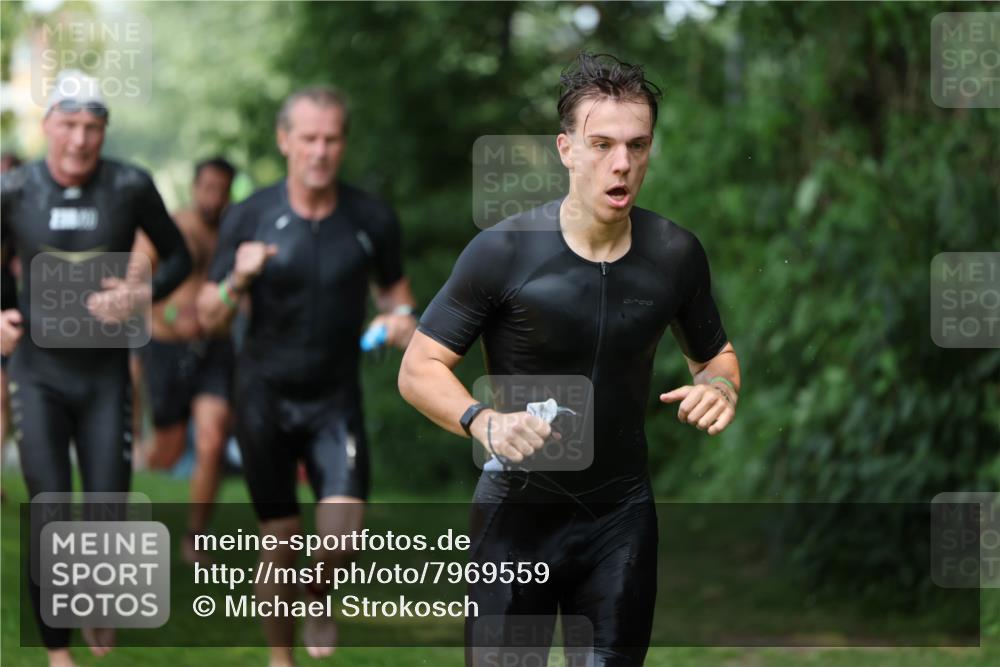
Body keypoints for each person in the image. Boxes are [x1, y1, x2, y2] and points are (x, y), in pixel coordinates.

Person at [398, 52, 742, 666]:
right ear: (565, 149)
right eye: (602, 143)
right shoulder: (502, 252)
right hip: (516, 521)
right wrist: (485, 422)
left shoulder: (674, 254)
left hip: (620, 518)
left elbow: (715, 356)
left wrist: (720, 386)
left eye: (638, 146)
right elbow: (418, 367)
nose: (622, 163)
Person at [197, 85, 417, 665]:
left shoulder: (371, 218)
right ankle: (281, 658)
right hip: (263, 395)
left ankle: (319, 589)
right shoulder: (250, 216)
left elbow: (397, 295)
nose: (319, 151)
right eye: (309, 138)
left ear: (343, 143)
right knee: (281, 543)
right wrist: (238, 279)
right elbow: (206, 313)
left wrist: (401, 321)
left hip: (333, 397)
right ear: (285, 140)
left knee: (342, 538)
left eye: (332, 139)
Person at [0, 70, 191, 667]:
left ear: (104, 130)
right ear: (48, 124)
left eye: (93, 127)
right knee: (51, 506)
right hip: (38, 370)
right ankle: (58, 652)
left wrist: (140, 295)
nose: (81, 140)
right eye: (70, 125)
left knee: (108, 506)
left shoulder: (130, 185)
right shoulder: (15, 191)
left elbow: (180, 255)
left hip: (107, 374)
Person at [132, 157, 237, 564]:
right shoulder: (170, 228)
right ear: (195, 187)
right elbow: (135, 288)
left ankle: (195, 538)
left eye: (221, 189)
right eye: (207, 187)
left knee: (212, 440)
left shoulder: (234, 232)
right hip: (166, 347)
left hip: (216, 348)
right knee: (168, 453)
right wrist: (174, 317)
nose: (213, 197)